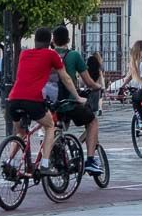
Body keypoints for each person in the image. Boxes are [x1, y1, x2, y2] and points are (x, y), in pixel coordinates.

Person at [5, 26, 86, 169]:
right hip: (32, 100)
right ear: (50, 43)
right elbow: (66, 78)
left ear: (34, 41)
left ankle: (9, 161)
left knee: (21, 132)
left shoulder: (24, 54)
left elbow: (35, 70)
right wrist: (78, 97)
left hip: (13, 100)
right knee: (49, 126)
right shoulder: (51, 55)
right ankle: (45, 163)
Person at [50, 25, 105, 175]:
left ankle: (56, 155)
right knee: (92, 121)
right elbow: (88, 81)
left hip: (52, 103)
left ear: (53, 41)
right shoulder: (74, 55)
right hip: (70, 102)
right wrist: (98, 86)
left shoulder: (48, 55)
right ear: (68, 39)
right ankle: (91, 160)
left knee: (55, 128)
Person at [121, 40, 142, 135]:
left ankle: (141, 123)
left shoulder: (137, 62)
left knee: (135, 100)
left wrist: (122, 86)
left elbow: (129, 75)